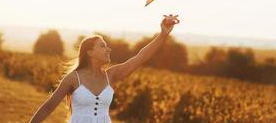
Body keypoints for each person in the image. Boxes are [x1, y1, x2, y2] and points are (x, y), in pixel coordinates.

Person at [29, 14, 180, 123]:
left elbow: (141, 57)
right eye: (102, 46)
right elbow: (48, 107)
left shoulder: (111, 75)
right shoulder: (74, 78)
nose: (108, 49)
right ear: (89, 52)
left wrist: (163, 34)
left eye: (107, 46)